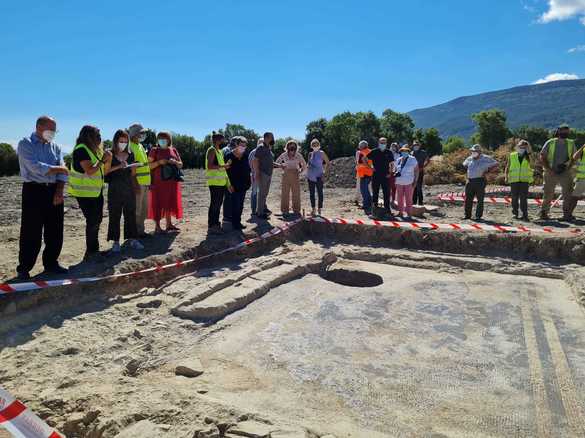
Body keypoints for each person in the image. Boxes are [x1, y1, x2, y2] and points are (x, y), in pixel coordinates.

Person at [16, 116, 69, 280]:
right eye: (50, 129)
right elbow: (35, 167)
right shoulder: (25, 144)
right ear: (39, 127)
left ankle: (51, 263)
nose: (53, 133)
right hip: (33, 190)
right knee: (31, 230)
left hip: (54, 190)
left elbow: (63, 172)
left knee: (55, 229)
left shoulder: (56, 147)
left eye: (55, 130)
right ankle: (24, 268)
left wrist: (59, 190)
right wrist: (59, 168)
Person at [68, 125, 111, 260]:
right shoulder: (81, 149)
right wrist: (103, 160)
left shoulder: (94, 150)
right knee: (92, 221)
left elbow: (102, 171)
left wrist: (106, 160)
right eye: (97, 135)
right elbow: (90, 170)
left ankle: (93, 250)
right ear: (89, 136)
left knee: (96, 221)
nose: (100, 138)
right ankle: (91, 253)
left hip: (95, 192)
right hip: (84, 193)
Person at [104, 130, 143, 252]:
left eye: (126, 141)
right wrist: (118, 166)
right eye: (121, 141)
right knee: (115, 215)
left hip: (128, 188)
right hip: (114, 189)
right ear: (116, 141)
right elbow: (105, 172)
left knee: (130, 214)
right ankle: (115, 242)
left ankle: (133, 239)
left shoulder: (130, 155)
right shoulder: (109, 154)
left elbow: (132, 174)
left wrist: (134, 168)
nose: (123, 143)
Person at [147, 132, 183, 234]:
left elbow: (181, 165)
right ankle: (157, 227)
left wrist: (175, 162)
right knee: (158, 203)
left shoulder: (173, 150)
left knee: (169, 202)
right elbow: (148, 166)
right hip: (158, 182)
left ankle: (169, 224)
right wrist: (159, 162)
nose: (162, 140)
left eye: (165, 138)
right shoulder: (154, 150)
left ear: (169, 140)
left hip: (172, 181)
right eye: (160, 138)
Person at [539, 124, 576, 221]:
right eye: (564, 131)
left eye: (567, 131)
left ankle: (566, 214)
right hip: (550, 171)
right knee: (548, 193)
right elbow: (542, 156)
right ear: (558, 131)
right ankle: (544, 213)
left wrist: (568, 167)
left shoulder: (571, 143)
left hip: (565, 172)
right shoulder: (550, 142)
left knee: (567, 193)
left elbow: (574, 158)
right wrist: (548, 169)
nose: (565, 133)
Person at [206, 132, 233, 234]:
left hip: (221, 183)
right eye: (222, 140)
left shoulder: (219, 151)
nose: (223, 142)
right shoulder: (212, 150)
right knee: (215, 204)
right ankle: (212, 225)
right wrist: (224, 166)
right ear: (217, 140)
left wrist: (228, 183)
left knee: (218, 204)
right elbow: (210, 166)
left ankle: (216, 224)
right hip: (214, 183)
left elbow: (223, 169)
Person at [462, 145, 499, 221]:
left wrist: (488, 171)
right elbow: (464, 164)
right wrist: (470, 171)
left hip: (480, 180)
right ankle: (467, 215)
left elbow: (496, 164)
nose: (473, 152)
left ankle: (478, 216)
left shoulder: (486, 158)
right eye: (472, 151)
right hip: (470, 181)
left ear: (479, 151)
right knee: (468, 199)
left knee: (480, 199)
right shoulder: (469, 158)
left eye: (475, 151)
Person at [128, 123, 151, 237]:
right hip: (138, 183)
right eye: (140, 133)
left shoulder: (140, 146)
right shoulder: (130, 147)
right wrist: (135, 184)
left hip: (145, 182)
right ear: (134, 134)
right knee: (137, 209)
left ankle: (141, 231)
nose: (143, 135)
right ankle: (135, 233)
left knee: (144, 209)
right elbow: (131, 168)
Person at [225, 137, 251, 230]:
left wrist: (249, 180)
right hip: (233, 185)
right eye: (241, 145)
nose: (243, 147)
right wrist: (228, 185)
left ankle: (238, 222)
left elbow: (248, 169)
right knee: (235, 204)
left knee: (240, 205)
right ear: (236, 145)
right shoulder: (229, 156)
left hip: (244, 185)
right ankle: (234, 223)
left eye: (245, 145)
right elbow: (225, 172)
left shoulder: (245, 156)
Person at [276, 140, 307, 217]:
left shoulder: (298, 155)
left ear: (296, 147)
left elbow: (304, 164)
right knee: (285, 193)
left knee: (296, 193)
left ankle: (296, 210)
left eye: (293, 146)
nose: (292, 147)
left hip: (295, 174)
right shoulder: (284, 154)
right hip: (286, 174)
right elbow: (277, 162)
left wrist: (301, 171)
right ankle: (284, 210)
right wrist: (281, 166)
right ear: (287, 147)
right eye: (290, 146)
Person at [504, 140, 534, 221]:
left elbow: (533, 164)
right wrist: (506, 176)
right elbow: (507, 166)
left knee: (523, 198)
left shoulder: (528, 156)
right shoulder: (512, 155)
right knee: (514, 198)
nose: (522, 148)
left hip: (524, 179)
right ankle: (515, 214)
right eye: (521, 146)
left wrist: (529, 153)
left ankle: (524, 214)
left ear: (527, 148)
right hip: (514, 179)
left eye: (524, 147)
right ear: (517, 146)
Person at [367, 137, 394, 214]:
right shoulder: (374, 151)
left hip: (386, 175)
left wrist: (390, 173)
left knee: (386, 193)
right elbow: (364, 159)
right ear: (378, 143)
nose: (383, 144)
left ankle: (387, 209)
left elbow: (392, 164)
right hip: (376, 175)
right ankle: (374, 209)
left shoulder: (389, 152)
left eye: (384, 142)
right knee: (375, 192)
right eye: (381, 142)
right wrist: (370, 167)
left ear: (386, 143)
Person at [253, 132, 276, 220]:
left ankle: (261, 210)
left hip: (268, 174)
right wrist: (257, 173)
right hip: (263, 173)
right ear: (266, 138)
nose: (273, 139)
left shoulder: (268, 148)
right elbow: (255, 160)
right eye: (272, 137)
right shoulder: (261, 147)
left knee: (264, 193)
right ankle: (260, 213)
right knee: (262, 193)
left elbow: (269, 161)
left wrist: (280, 165)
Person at [306, 139, 330, 216]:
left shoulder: (322, 153)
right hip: (310, 176)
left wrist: (324, 173)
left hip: (319, 176)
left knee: (320, 193)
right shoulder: (310, 154)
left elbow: (328, 163)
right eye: (313, 144)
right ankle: (313, 210)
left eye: (316, 144)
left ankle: (320, 209)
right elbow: (308, 164)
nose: (315, 146)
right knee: (312, 194)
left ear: (319, 145)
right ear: (311, 146)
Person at [394, 146, 419, 218]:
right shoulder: (398, 160)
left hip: (409, 182)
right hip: (399, 182)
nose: (404, 152)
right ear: (401, 152)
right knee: (399, 198)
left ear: (408, 152)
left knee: (408, 198)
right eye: (402, 151)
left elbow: (416, 170)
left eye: (406, 151)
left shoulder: (412, 159)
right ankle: (400, 212)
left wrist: (415, 180)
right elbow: (395, 169)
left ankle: (409, 214)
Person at [356, 140, 374, 215]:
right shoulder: (370, 151)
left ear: (362, 146)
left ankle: (366, 205)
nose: (359, 146)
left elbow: (362, 162)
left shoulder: (362, 153)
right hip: (369, 173)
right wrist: (371, 168)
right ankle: (369, 203)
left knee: (364, 190)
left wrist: (368, 167)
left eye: (360, 145)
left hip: (364, 173)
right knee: (366, 189)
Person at [248, 138, 263, 217]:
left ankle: (261, 209)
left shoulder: (262, 152)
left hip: (261, 175)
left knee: (261, 192)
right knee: (254, 193)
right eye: (261, 143)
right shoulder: (254, 152)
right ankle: (254, 210)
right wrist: (255, 173)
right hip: (255, 175)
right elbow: (251, 164)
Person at [412, 141, 429, 206]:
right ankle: (414, 202)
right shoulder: (412, 153)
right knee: (414, 186)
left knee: (419, 187)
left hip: (420, 171)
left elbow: (428, 160)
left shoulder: (423, 152)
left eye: (417, 145)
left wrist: (423, 167)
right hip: (412, 172)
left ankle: (420, 202)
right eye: (414, 145)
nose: (416, 146)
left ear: (419, 146)